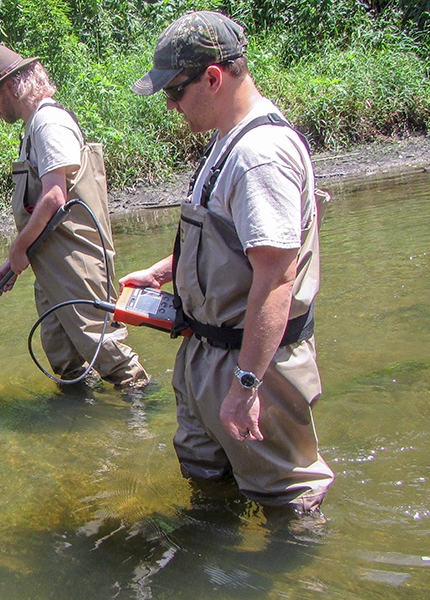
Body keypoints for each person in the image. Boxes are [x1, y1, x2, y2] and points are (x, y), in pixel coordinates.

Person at [120, 11, 334, 515]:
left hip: (251, 365)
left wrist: (245, 386)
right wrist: (164, 272)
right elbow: (232, 239)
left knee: (287, 501)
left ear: (213, 78)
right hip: (207, 352)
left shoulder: (259, 155)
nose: (170, 106)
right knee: (208, 485)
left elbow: (276, 281)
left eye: (174, 92)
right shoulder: (226, 139)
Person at [0, 45, 149, 390]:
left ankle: (142, 411)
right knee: (62, 353)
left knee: (104, 348)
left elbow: (54, 197)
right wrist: (16, 259)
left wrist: (18, 249)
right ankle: (80, 418)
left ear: (9, 87)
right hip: (51, 261)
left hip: (76, 258)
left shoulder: (49, 123)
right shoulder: (32, 127)